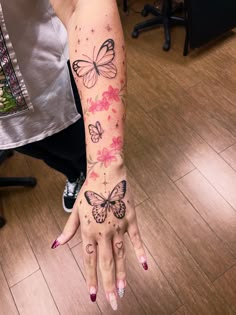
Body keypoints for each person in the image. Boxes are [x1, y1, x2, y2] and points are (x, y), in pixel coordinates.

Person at [0, 0, 147, 310]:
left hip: (52, 94)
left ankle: (81, 171)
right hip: (7, 130)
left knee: (74, 149)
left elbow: (83, 5)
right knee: (45, 155)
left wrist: (106, 164)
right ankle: (73, 176)